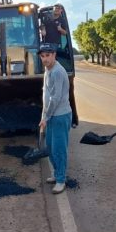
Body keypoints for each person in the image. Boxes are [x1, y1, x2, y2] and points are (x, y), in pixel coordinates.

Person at [38, 43, 72, 194]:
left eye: (48, 55)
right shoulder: (48, 70)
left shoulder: (57, 71)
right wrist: (44, 115)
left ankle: (60, 180)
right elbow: (46, 95)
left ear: (54, 55)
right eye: (42, 56)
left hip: (60, 115)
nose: (45, 59)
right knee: (51, 148)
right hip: (51, 115)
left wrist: (46, 117)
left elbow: (55, 98)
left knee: (59, 149)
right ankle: (56, 173)